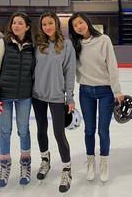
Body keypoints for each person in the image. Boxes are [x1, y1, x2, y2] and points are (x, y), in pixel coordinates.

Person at [68, 12, 124, 183]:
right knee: (89, 130)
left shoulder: (104, 40)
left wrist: (117, 91)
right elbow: (71, 70)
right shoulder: (74, 45)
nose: (79, 26)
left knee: (103, 130)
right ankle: (91, 162)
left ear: (87, 22)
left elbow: (112, 65)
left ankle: (104, 163)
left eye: (80, 22)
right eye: (75, 25)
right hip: (85, 91)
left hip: (106, 91)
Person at [0, 12, 35, 187]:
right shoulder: (2, 43)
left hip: (25, 96)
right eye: (14, 23)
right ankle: (4, 167)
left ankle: (25, 164)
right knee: (5, 132)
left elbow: (35, 71)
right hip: (4, 95)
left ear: (27, 27)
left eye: (20, 23)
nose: (16, 25)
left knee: (24, 131)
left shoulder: (32, 46)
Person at [32, 11, 76, 193]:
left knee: (59, 133)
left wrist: (70, 97)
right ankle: (45, 160)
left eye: (50, 23)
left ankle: (67, 169)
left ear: (56, 24)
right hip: (37, 95)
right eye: (44, 24)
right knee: (41, 129)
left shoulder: (66, 45)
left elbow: (70, 72)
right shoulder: (38, 45)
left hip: (57, 96)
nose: (47, 27)